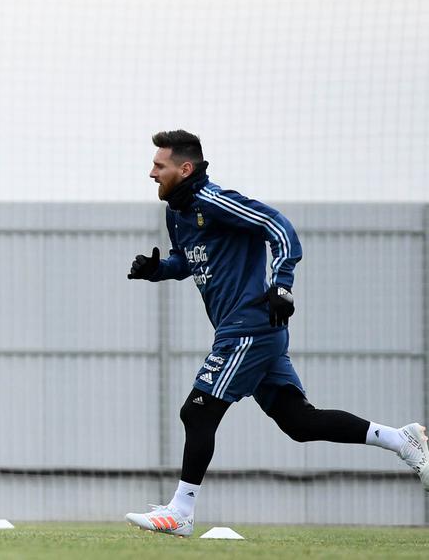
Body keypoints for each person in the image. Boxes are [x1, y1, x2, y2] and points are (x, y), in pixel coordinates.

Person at [123, 129, 427, 537]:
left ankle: (181, 512)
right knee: (299, 422)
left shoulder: (216, 201)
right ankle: (402, 439)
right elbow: (187, 260)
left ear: (185, 168)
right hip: (246, 331)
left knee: (196, 411)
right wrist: (158, 270)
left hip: (250, 326)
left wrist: (282, 284)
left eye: (159, 166)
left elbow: (279, 227)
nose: (151, 173)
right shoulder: (177, 213)